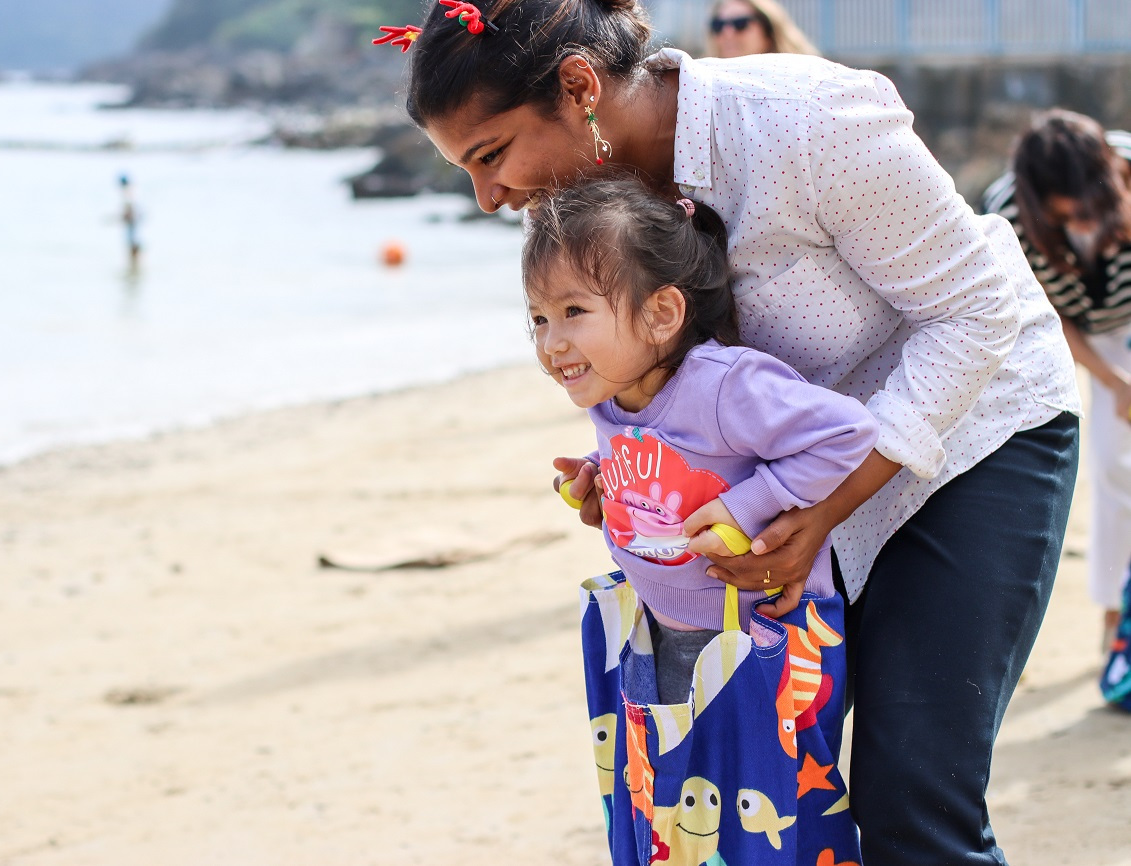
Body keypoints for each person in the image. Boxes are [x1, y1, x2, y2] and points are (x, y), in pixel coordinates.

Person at [383, 1, 1082, 862]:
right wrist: (636, 468)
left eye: (489, 156)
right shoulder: (567, 209)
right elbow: (665, 374)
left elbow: (973, 314)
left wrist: (820, 514)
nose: (488, 197)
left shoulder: (804, 123)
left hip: (975, 433)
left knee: (910, 791)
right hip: (793, 487)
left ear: (578, 87)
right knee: (772, 791)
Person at [526, 176, 877, 862]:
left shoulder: (724, 385)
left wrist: (748, 505)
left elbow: (847, 433)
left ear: (661, 314)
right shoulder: (610, 395)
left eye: (573, 311)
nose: (551, 342)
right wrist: (605, 489)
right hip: (663, 637)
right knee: (676, 822)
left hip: (762, 648)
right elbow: (668, 481)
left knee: (767, 830)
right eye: (537, 317)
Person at [983, 109, 1131, 654]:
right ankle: (1117, 615)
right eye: (1069, 213)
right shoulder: (1006, 213)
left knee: (1122, 464)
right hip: (1056, 330)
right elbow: (1043, 314)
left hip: (1129, 317)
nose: (1084, 224)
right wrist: (1114, 382)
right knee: (1113, 472)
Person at [705, 0, 819, 58]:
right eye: (718, 25)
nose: (727, 33)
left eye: (740, 23)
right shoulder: (702, 89)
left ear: (769, 31)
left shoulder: (802, 81)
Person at [118, 174, 142, 271]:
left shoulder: (127, 193)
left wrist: (122, 218)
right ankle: (134, 271)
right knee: (134, 256)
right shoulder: (134, 191)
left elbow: (129, 213)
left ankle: (133, 271)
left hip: (132, 229)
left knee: (132, 252)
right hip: (135, 228)